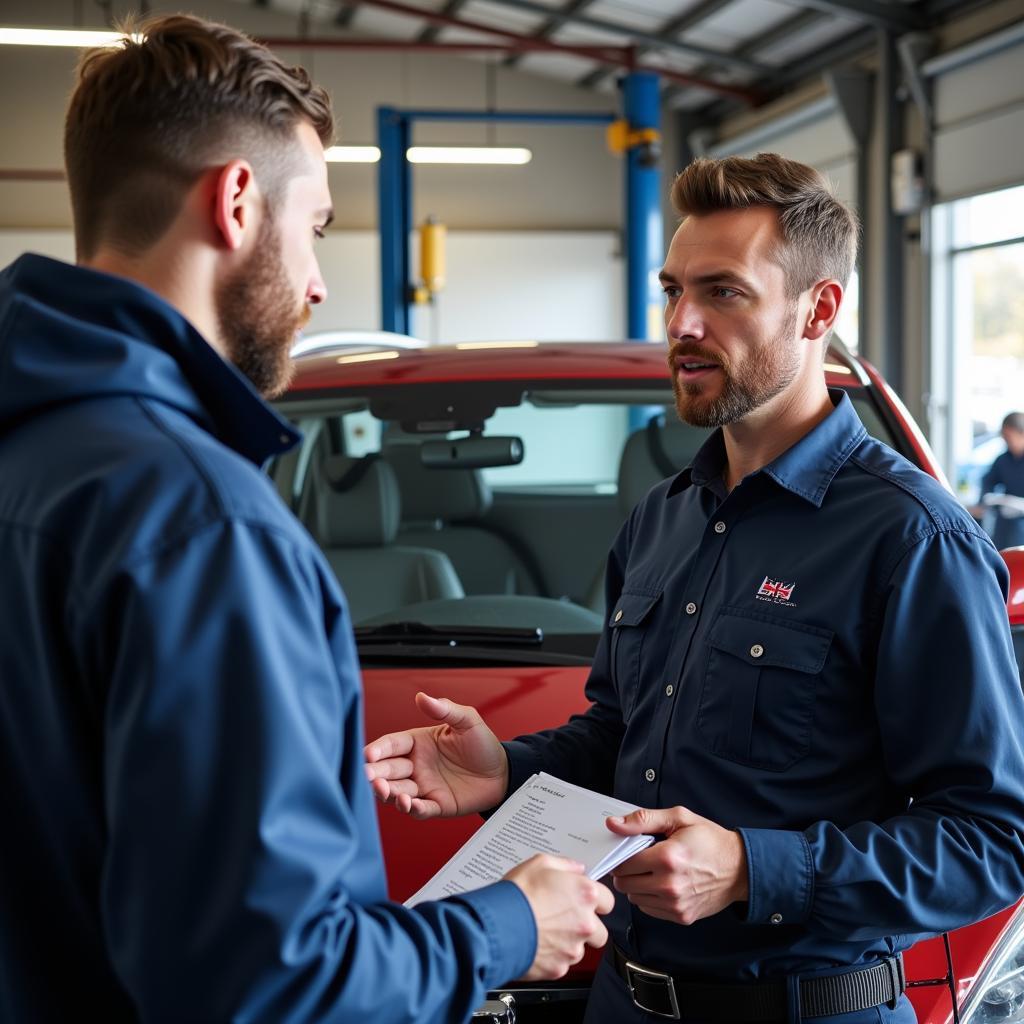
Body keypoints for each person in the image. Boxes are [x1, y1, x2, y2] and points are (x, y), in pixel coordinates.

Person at [0, 14, 614, 1023]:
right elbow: (265, 980)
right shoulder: (200, 521)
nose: (321, 281)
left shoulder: (32, 455)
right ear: (237, 202)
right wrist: (509, 922)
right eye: (317, 226)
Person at [365, 153, 1024, 1023]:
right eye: (673, 288)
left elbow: (991, 843)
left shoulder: (911, 538)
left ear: (818, 308)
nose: (682, 322)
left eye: (723, 293)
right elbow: (620, 738)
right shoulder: (662, 520)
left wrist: (753, 869)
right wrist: (509, 770)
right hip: (623, 1002)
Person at [972, 412, 1024, 549]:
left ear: (1021, 434)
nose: (1006, 441)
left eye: (1009, 437)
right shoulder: (1003, 460)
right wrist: (983, 501)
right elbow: (988, 480)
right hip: (1004, 523)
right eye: (1004, 437)